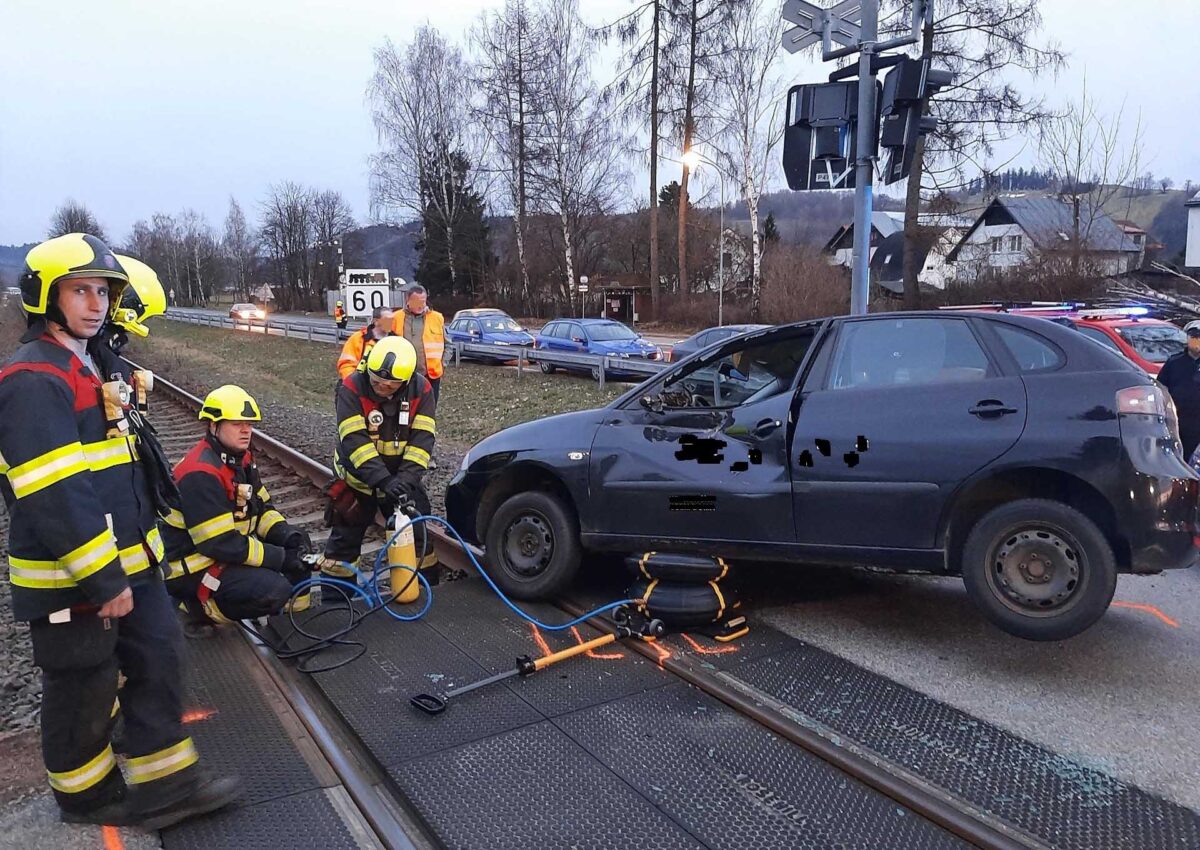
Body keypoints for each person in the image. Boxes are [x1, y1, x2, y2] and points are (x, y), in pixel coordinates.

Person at [0, 233, 239, 829]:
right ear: (45, 299)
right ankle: (85, 797)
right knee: (85, 684)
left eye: (103, 292)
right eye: (80, 291)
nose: (96, 304)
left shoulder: (93, 362)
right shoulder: (33, 380)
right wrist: (103, 578)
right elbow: (55, 493)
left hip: (132, 563)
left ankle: (169, 788)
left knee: (160, 658)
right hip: (75, 576)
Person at [161, 385, 315, 635]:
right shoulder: (201, 474)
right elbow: (220, 543)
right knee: (272, 590)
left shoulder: (241, 459)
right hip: (192, 567)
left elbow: (261, 508)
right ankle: (197, 608)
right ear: (214, 426)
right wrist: (279, 558)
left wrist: (286, 535)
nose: (246, 430)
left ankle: (294, 622)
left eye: (249, 424)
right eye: (236, 424)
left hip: (222, 553)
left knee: (300, 542)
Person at [319, 337, 438, 581]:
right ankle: (337, 597)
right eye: (376, 382)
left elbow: (422, 440)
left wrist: (405, 480)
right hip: (358, 482)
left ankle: (424, 588)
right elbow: (355, 441)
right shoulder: (351, 388)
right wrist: (384, 480)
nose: (381, 387)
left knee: (418, 538)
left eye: (389, 385)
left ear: (405, 381)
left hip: (401, 481)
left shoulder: (422, 390)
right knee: (343, 546)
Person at [1157, 320, 1200, 460]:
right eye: (1194, 337)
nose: (1197, 341)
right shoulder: (1174, 363)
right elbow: (1160, 388)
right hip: (1179, 421)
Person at [399, 284, 446, 403]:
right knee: (404, 408)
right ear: (407, 300)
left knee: (429, 407)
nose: (420, 305)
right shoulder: (395, 318)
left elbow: (448, 344)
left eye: (423, 301)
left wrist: (442, 363)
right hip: (402, 375)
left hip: (430, 375)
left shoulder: (437, 318)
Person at [336, 305, 394, 379]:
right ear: (376, 321)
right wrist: (353, 382)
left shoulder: (396, 340)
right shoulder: (358, 338)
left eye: (392, 319)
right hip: (361, 382)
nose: (391, 323)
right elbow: (347, 365)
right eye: (387, 320)